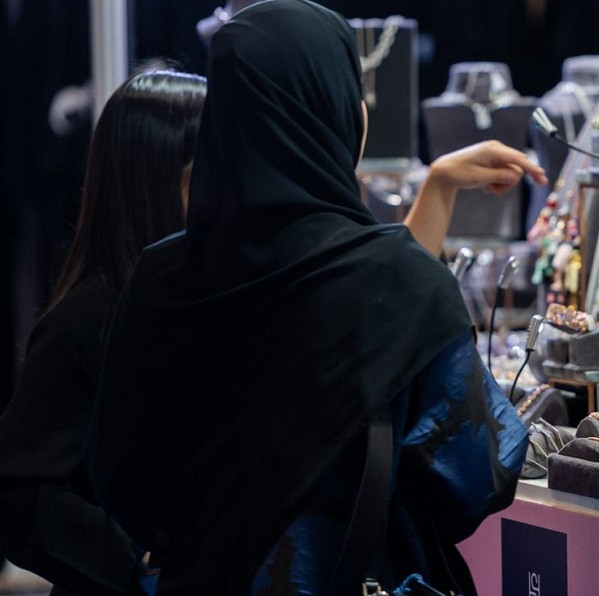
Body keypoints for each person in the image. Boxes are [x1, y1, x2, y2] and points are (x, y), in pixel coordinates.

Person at [87, 1, 546, 594]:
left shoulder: (160, 278)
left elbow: (120, 479)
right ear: (342, 115)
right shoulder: (402, 283)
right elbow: (476, 478)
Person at [0, 68, 207, 595]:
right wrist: (134, 561)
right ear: (156, 186)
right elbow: (17, 492)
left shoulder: (211, 301)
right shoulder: (84, 322)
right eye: (204, 178)